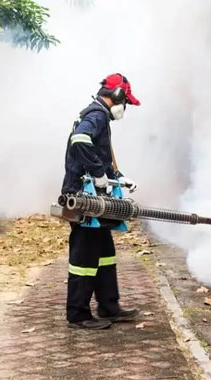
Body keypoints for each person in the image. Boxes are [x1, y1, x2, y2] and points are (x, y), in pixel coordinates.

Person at [61, 73, 141, 329]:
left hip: (95, 197)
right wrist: (97, 173)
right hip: (82, 197)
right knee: (84, 258)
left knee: (105, 253)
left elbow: (101, 156)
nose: (125, 107)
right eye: (125, 102)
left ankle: (109, 306)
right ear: (117, 96)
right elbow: (80, 140)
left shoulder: (100, 117)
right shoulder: (96, 116)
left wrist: (117, 177)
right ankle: (78, 314)